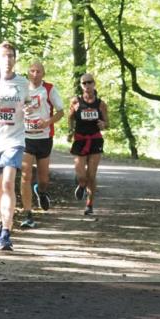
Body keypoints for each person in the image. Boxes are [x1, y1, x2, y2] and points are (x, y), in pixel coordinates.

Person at [0, 41, 31, 250]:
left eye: (11, 55)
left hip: (14, 139)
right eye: (4, 56)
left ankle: (6, 233)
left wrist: (28, 110)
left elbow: (27, 103)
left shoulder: (22, 83)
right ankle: (2, 222)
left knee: (8, 184)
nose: (8, 60)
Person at [21, 60, 65, 221]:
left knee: (44, 178)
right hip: (25, 136)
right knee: (25, 175)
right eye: (32, 71)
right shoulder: (21, 87)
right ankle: (27, 213)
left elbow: (61, 112)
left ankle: (41, 191)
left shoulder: (49, 89)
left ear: (43, 74)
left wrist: (47, 122)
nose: (35, 74)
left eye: (38, 71)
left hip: (44, 137)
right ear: (28, 72)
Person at [68, 72, 109, 216]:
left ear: (94, 84)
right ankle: (81, 184)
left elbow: (108, 123)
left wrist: (103, 124)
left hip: (95, 139)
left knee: (91, 175)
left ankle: (89, 204)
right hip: (80, 140)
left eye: (89, 82)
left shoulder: (100, 103)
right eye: (84, 83)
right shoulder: (75, 101)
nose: (87, 85)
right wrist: (70, 131)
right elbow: (70, 118)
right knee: (81, 175)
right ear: (81, 85)